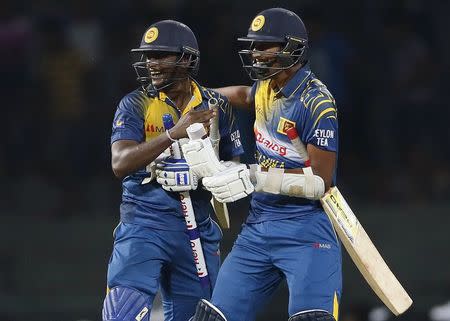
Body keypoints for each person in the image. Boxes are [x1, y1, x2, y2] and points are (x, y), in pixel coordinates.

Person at [185, 8, 342, 321]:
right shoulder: (267, 88)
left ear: (291, 48)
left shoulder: (317, 102)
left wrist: (254, 177)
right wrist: (197, 100)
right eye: (253, 46)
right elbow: (244, 94)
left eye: (263, 46)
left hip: (306, 231)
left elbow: (320, 182)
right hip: (258, 229)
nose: (254, 54)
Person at [102, 20, 244, 321]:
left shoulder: (215, 105)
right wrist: (171, 135)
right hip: (144, 223)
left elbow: (233, 162)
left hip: (197, 227)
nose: (151, 64)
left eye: (161, 55)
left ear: (187, 59)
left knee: (199, 317)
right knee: (122, 311)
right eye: (148, 56)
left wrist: (207, 172)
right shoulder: (136, 104)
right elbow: (120, 163)